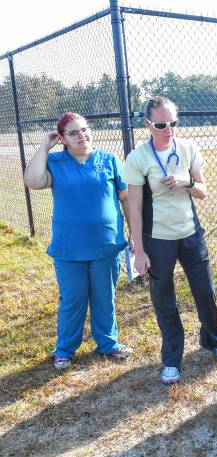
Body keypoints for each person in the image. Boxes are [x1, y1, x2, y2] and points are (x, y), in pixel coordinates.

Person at [123, 96, 217, 385]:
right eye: (161, 124)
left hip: (190, 233)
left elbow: (202, 190)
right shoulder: (138, 158)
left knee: (205, 290)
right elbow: (134, 207)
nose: (168, 129)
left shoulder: (188, 149)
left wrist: (187, 182)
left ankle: (213, 339)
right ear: (148, 124)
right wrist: (138, 249)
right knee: (164, 299)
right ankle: (172, 357)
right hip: (157, 239)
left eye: (173, 122)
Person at [24, 112, 133, 369]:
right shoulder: (55, 161)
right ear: (62, 138)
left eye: (84, 129)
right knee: (73, 299)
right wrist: (44, 146)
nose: (81, 136)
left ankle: (107, 343)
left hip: (106, 244)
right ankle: (65, 349)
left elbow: (126, 198)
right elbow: (33, 181)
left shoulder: (108, 159)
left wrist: (133, 234)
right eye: (73, 133)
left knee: (104, 297)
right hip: (69, 246)